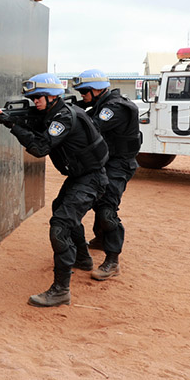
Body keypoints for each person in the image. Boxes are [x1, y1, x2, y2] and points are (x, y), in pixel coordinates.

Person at [0, 72, 108, 307]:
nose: (35, 102)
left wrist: (13, 126)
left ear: (53, 96)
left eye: (38, 97)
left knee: (60, 226)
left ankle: (60, 290)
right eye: (33, 98)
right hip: (81, 176)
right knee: (62, 209)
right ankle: (82, 259)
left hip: (91, 178)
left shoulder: (63, 118)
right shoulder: (54, 113)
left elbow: (39, 147)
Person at [72, 69, 141, 281]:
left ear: (99, 90)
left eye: (84, 91)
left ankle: (113, 261)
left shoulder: (114, 108)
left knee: (106, 208)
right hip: (108, 162)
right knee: (98, 200)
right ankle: (101, 239)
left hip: (119, 164)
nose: (82, 95)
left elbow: (92, 126)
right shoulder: (104, 103)